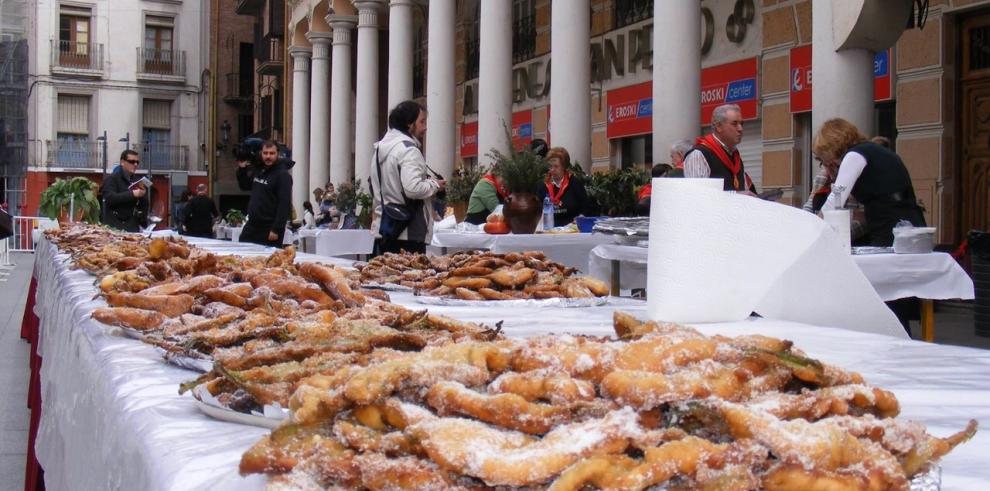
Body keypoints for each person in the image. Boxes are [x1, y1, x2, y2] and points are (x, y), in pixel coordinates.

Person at [814, 118, 925, 246]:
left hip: (889, 223)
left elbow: (836, 198)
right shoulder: (873, 151)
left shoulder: (854, 156)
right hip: (908, 220)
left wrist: (814, 227)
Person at [370, 100, 445, 254]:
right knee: (409, 277)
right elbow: (413, 189)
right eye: (422, 121)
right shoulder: (409, 150)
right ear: (409, 124)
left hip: (384, 228)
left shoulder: (380, 151)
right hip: (408, 232)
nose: (425, 127)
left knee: (384, 277)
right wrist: (435, 185)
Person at [683, 104, 757, 193]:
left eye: (741, 124)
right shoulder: (699, 155)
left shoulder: (736, 157)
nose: (740, 129)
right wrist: (737, 195)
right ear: (718, 126)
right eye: (734, 124)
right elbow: (697, 194)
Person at [236, 139, 293, 247]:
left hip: (269, 227)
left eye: (272, 153)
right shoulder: (259, 170)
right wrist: (242, 169)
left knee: (266, 262)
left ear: (278, 154)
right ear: (261, 153)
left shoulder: (283, 175)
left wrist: (276, 229)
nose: (268, 156)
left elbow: (284, 204)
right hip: (252, 224)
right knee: (243, 253)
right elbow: (244, 186)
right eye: (265, 153)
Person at [536, 147, 593, 226]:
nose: (552, 170)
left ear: (564, 166)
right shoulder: (543, 185)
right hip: (548, 230)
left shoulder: (575, 183)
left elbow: (586, 208)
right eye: (550, 166)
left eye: (556, 166)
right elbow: (537, 210)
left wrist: (581, 218)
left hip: (572, 229)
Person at [100, 149, 150, 232]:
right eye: (132, 161)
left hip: (133, 226)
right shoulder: (112, 179)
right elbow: (109, 198)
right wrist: (132, 194)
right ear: (122, 162)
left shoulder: (137, 180)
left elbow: (143, 206)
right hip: (115, 227)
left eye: (137, 162)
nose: (135, 164)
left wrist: (143, 195)